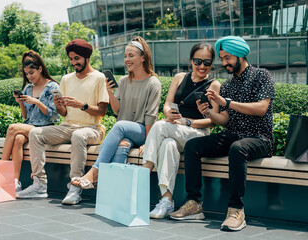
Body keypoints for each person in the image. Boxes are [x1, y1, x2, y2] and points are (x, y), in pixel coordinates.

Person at [170, 36, 275, 232]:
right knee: (193, 145)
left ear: (240, 55)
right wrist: (208, 112)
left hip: (260, 138)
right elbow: (225, 120)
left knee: (237, 148)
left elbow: (261, 108)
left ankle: (236, 210)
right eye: (222, 58)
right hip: (233, 134)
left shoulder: (262, 75)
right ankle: (194, 203)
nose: (224, 63)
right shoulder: (228, 85)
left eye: (228, 58)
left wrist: (227, 102)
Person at [16, 39, 109, 205]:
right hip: (68, 126)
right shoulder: (66, 79)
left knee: (79, 136)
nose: (74, 62)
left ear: (87, 57)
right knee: (35, 133)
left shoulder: (99, 78)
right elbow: (64, 113)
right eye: (71, 59)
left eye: (77, 58)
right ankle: (39, 184)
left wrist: (81, 105)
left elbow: (102, 111)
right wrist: (59, 106)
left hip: (92, 128)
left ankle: (75, 185)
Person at [141, 42, 221, 219]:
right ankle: (167, 201)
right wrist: (170, 114)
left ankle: (143, 173)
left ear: (212, 64)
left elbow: (212, 121)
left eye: (207, 63)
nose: (202, 66)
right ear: (191, 61)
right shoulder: (179, 77)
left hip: (197, 133)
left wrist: (188, 122)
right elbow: (167, 104)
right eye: (198, 61)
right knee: (168, 145)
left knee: (160, 125)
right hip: (174, 130)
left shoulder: (213, 85)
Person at [72, 36, 161, 189]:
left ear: (143, 58)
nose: (127, 59)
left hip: (143, 132)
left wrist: (148, 142)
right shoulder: (123, 81)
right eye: (125, 56)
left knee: (120, 126)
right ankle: (114, 192)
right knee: (122, 146)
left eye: (131, 55)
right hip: (125, 132)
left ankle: (95, 172)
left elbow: (151, 116)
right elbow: (117, 110)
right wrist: (110, 93)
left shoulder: (153, 82)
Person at [1, 50, 60, 192]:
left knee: (12, 128)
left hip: (46, 128)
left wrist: (37, 102)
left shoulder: (52, 87)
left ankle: (1, 168)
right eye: (27, 74)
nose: (29, 76)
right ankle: (15, 182)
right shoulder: (28, 88)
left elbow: (53, 115)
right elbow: (25, 116)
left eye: (31, 72)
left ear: (40, 69)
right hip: (31, 127)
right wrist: (20, 102)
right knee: (18, 139)